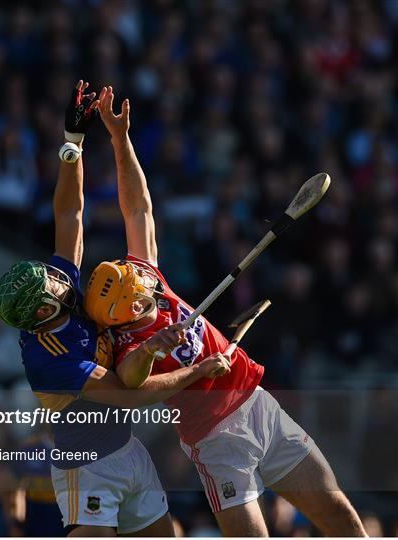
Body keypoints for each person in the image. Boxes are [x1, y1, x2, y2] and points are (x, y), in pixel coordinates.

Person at [85, 86, 367, 537]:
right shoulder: (125, 345)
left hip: (259, 405)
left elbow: (137, 208)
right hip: (217, 441)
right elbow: (135, 380)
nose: (140, 274)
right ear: (124, 310)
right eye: (133, 284)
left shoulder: (148, 281)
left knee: (339, 516)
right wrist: (157, 348)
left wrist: (120, 141)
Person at [0, 80, 229, 537]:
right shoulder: (48, 358)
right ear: (41, 313)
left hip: (127, 448)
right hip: (88, 463)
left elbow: (69, 216)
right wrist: (199, 371)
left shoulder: (61, 293)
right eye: (49, 285)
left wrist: (72, 143)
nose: (58, 275)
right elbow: (132, 393)